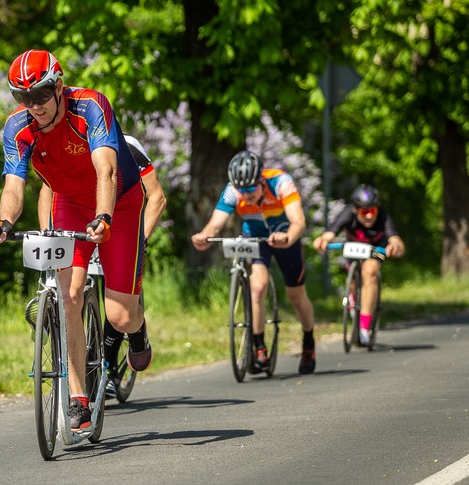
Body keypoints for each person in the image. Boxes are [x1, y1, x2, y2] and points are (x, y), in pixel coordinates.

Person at [0, 49, 153, 432]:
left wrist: (104, 215)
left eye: (42, 94)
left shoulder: (90, 107)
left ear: (59, 87)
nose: (34, 105)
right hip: (70, 204)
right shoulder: (17, 128)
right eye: (23, 98)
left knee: (120, 316)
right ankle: (78, 398)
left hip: (119, 202)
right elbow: (14, 184)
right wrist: (5, 222)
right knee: (68, 295)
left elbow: (106, 170)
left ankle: (137, 329)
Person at [37, 135, 166, 398]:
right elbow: (48, 192)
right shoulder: (65, 144)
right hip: (80, 223)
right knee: (69, 292)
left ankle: (128, 342)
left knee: (119, 310)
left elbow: (157, 197)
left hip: (121, 222)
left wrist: (141, 238)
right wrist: (48, 237)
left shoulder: (130, 146)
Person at [191, 150, 317, 374]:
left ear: (261, 180)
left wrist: (287, 237)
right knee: (257, 287)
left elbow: (299, 221)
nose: (245, 195)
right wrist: (205, 235)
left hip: (285, 236)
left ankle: (308, 341)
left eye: (250, 189)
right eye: (241, 190)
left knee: (296, 295)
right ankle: (259, 347)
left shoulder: (281, 182)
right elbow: (216, 222)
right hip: (256, 237)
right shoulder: (234, 190)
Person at [312, 184, 405, 346]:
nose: (369, 216)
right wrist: (322, 241)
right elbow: (330, 233)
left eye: (372, 211)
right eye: (364, 212)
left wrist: (395, 247)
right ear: (355, 210)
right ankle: (353, 295)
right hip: (354, 251)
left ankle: (364, 326)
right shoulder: (347, 213)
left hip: (375, 250)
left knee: (370, 271)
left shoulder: (383, 216)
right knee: (355, 281)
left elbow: (396, 240)